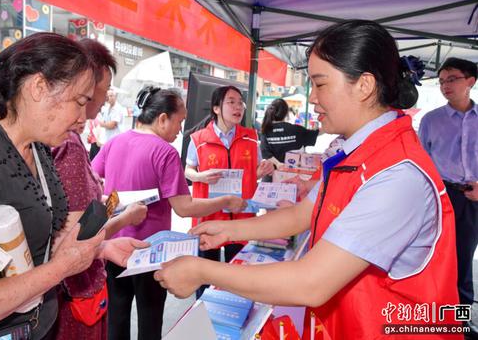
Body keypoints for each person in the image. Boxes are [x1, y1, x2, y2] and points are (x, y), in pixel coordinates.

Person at [155, 20, 461, 339]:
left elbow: (311, 283)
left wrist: (202, 270)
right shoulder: (353, 152)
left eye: (320, 84)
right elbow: (304, 214)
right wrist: (230, 230)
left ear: (364, 86)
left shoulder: (398, 175)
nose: (312, 98)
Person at [0, 32, 139, 339]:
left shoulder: (36, 148)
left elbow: (42, 235)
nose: (83, 116)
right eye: (79, 102)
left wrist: (100, 249)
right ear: (39, 87)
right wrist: (59, 270)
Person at [92, 86, 246, 340]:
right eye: (179, 121)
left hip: (112, 246)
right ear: (162, 118)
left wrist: (115, 201)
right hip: (150, 251)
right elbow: (184, 208)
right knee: (150, 321)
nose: (180, 130)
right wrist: (225, 201)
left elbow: (93, 182)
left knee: (115, 319)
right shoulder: (165, 152)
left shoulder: (113, 142)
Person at [51, 38, 148, 340]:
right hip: (76, 291)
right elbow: (78, 233)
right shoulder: (68, 144)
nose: (104, 97)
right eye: (103, 89)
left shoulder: (70, 140)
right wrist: (125, 218)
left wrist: (103, 200)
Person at [184, 85, 275, 265]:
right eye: (231, 102)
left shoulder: (250, 138)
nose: (238, 107)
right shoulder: (198, 139)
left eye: (240, 103)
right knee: (206, 271)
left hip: (241, 215)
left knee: (238, 273)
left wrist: (262, 170)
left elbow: (252, 175)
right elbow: (188, 171)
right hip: (210, 214)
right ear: (216, 108)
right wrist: (201, 176)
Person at [419, 57, 478, 307]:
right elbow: (421, 164)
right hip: (445, 196)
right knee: (446, 260)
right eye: (442, 81)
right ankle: (447, 320)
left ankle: (460, 323)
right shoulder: (431, 120)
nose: (445, 85)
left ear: (471, 81)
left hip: (475, 196)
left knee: (463, 261)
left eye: (452, 79)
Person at [260, 98, 320, 175]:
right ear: (286, 113)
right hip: (293, 177)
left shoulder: (265, 131)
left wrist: (278, 164)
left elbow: (265, 153)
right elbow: (314, 134)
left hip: (271, 177)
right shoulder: (296, 130)